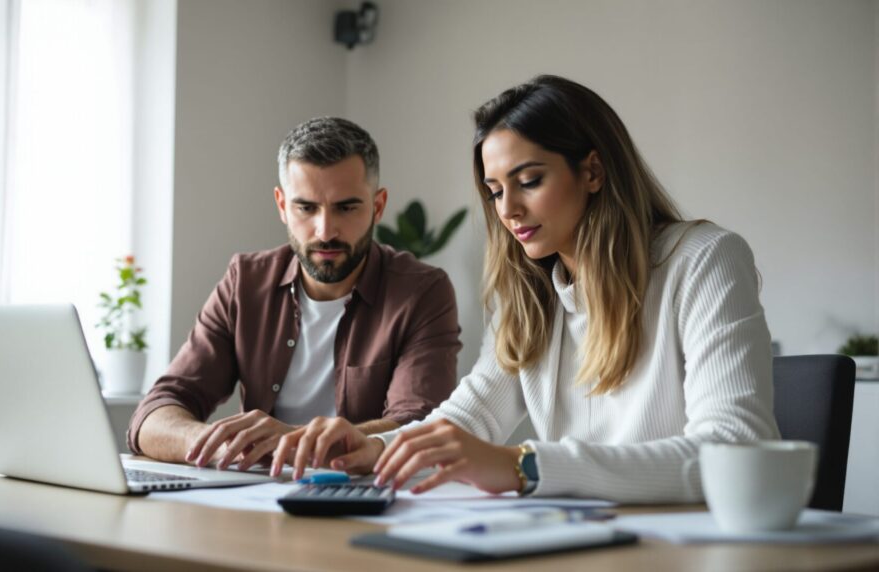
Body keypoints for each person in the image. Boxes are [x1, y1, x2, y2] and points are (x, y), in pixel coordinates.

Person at [271, 76, 780, 503]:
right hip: (579, 540)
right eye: (495, 191)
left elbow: (734, 451)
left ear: (593, 171)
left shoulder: (704, 260)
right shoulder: (531, 293)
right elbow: (469, 418)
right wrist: (376, 449)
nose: (508, 209)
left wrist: (525, 466)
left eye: (529, 181)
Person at [127, 117, 461, 472]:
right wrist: (214, 443)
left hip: (360, 495)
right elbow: (154, 414)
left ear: (377, 206)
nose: (325, 231)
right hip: (253, 493)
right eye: (306, 208)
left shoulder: (421, 292)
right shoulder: (245, 283)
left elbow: (418, 425)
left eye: (346, 207)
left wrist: (287, 442)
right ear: (282, 205)